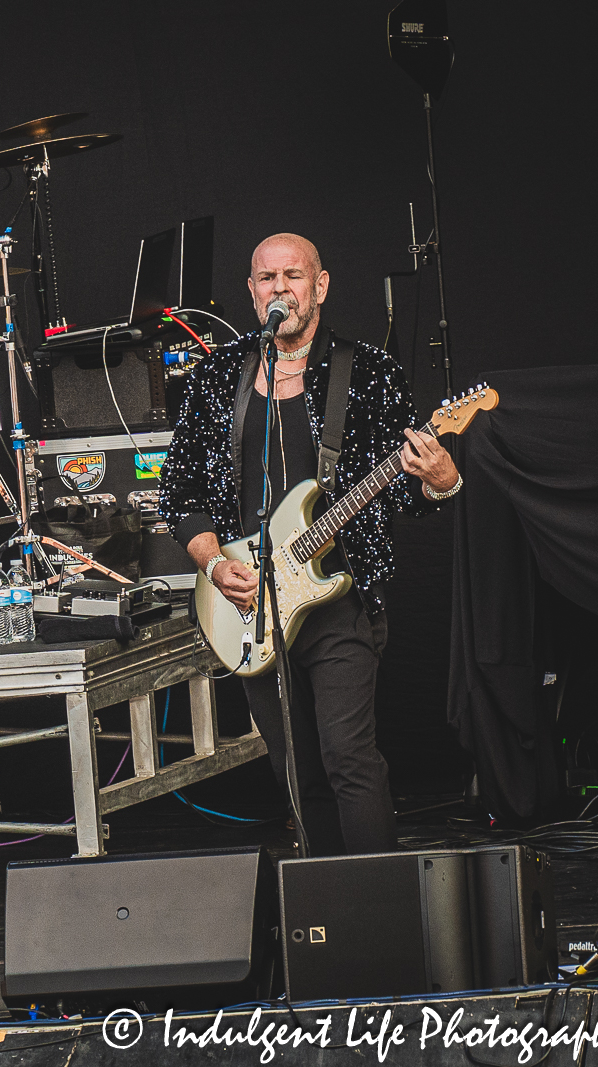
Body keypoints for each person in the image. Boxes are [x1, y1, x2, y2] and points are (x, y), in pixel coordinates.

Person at [158, 233, 461, 856]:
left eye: (293, 276)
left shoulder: (369, 372)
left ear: (319, 286)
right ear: (251, 290)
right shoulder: (218, 378)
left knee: (348, 756)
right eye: (266, 278)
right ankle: (322, 906)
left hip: (339, 601)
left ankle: (378, 898)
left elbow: (403, 494)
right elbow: (180, 495)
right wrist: (214, 563)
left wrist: (443, 483)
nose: (280, 289)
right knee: (294, 769)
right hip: (249, 605)